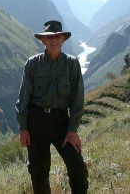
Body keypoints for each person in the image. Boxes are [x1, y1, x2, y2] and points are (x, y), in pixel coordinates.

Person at [15, 20, 88, 194]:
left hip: (61, 122)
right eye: (49, 37)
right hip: (36, 121)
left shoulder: (72, 64)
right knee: (38, 171)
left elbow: (77, 99)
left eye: (57, 36)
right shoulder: (32, 64)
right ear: (43, 41)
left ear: (63, 39)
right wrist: (23, 128)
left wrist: (72, 130)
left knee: (77, 166)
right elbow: (23, 98)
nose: (53, 40)